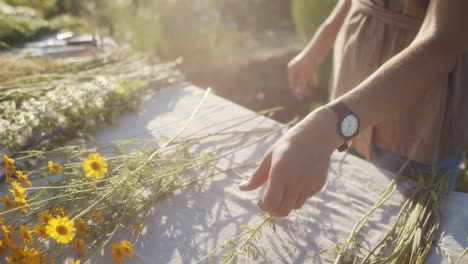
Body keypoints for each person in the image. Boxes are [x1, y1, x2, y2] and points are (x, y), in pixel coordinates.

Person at [239, 0, 468, 217]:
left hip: (417, 105)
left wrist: (327, 128)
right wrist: (322, 40)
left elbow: (444, 39)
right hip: (353, 74)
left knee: (400, 217)